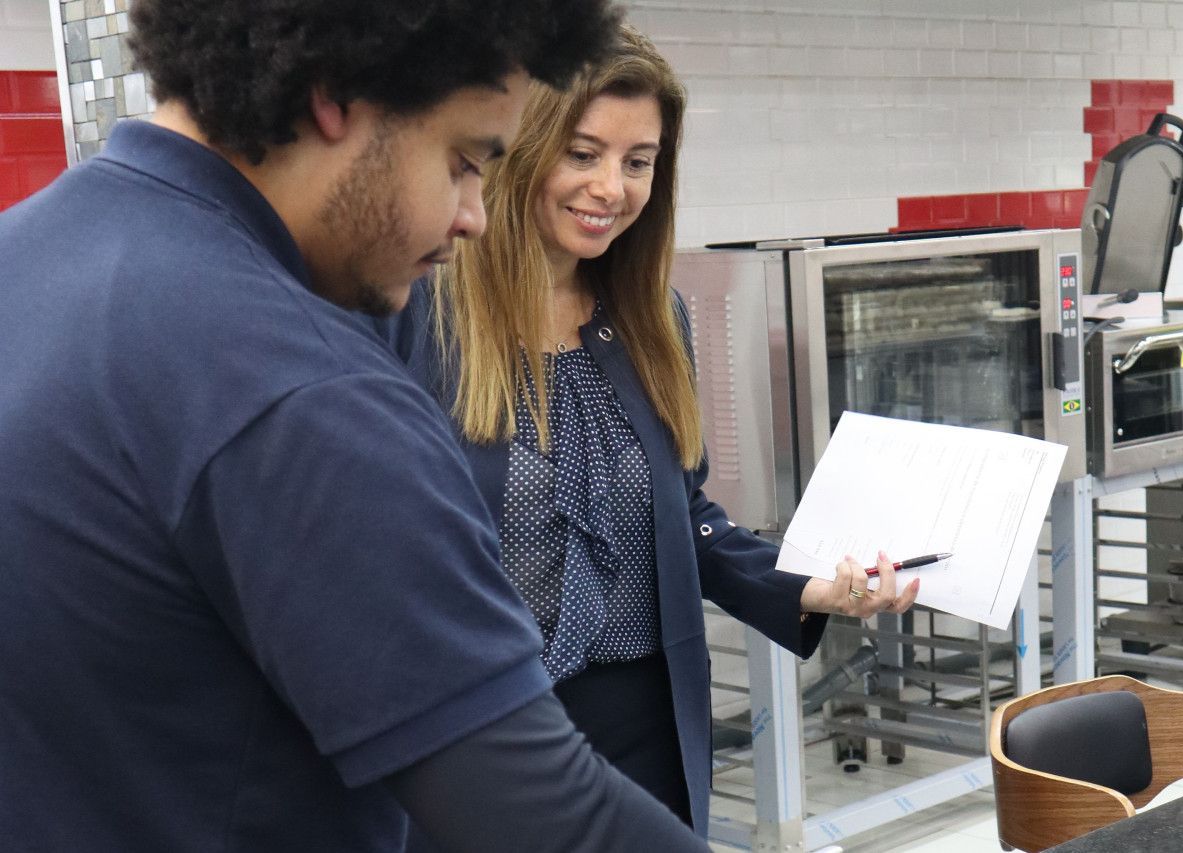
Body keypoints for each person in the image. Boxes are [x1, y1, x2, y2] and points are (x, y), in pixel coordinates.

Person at [0, 3, 711, 851]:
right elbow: (541, 813)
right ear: (336, 98)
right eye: (462, 160)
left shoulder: (28, 254)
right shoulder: (300, 386)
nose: (474, 215)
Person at [382, 26, 920, 837]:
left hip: (649, 731)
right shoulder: (422, 317)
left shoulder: (653, 320)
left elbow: (686, 517)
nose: (611, 187)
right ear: (524, 149)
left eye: (639, 162)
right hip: (488, 734)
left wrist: (812, 586)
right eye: (584, 153)